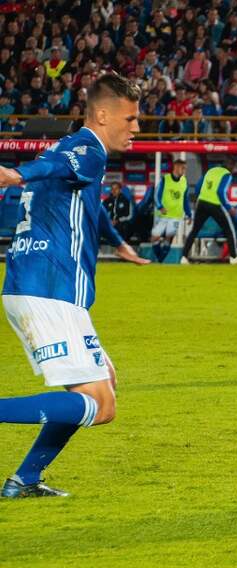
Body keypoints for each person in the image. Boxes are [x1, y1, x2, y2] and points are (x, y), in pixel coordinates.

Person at [0, 73, 149, 498]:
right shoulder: (85, 149)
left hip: (39, 288)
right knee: (99, 406)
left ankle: (24, 481)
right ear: (103, 115)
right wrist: (15, 175)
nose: (136, 128)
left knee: (104, 391)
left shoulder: (74, 152)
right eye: (131, 118)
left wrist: (119, 245)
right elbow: (53, 168)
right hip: (49, 291)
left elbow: (91, 206)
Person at [180, 159, 237, 265]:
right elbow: (221, 192)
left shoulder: (211, 170)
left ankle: (183, 257)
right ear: (232, 167)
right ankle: (234, 257)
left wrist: (200, 198)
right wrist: (229, 208)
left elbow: (198, 187)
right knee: (230, 229)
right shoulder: (227, 174)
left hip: (201, 203)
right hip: (215, 204)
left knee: (195, 230)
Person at [149, 158, 190, 263]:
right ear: (176, 167)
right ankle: (160, 258)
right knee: (154, 238)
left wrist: (189, 214)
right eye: (182, 168)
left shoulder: (184, 182)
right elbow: (156, 195)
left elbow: (185, 199)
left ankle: (160, 261)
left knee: (169, 237)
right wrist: (160, 207)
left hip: (176, 215)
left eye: (185, 168)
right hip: (163, 215)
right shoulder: (165, 179)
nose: (184, 170)